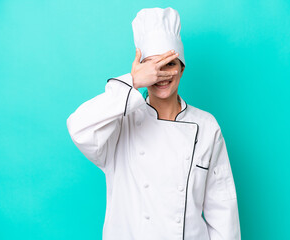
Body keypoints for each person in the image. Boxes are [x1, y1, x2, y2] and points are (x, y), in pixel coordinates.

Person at [66, 7, 241, 240]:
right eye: (153, 66)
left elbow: (223, 208)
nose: (161, 75)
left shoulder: (207, 126)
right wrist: (134, 81)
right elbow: (78, 127)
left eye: (169, 64)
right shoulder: (118, 124)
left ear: (182, 68)